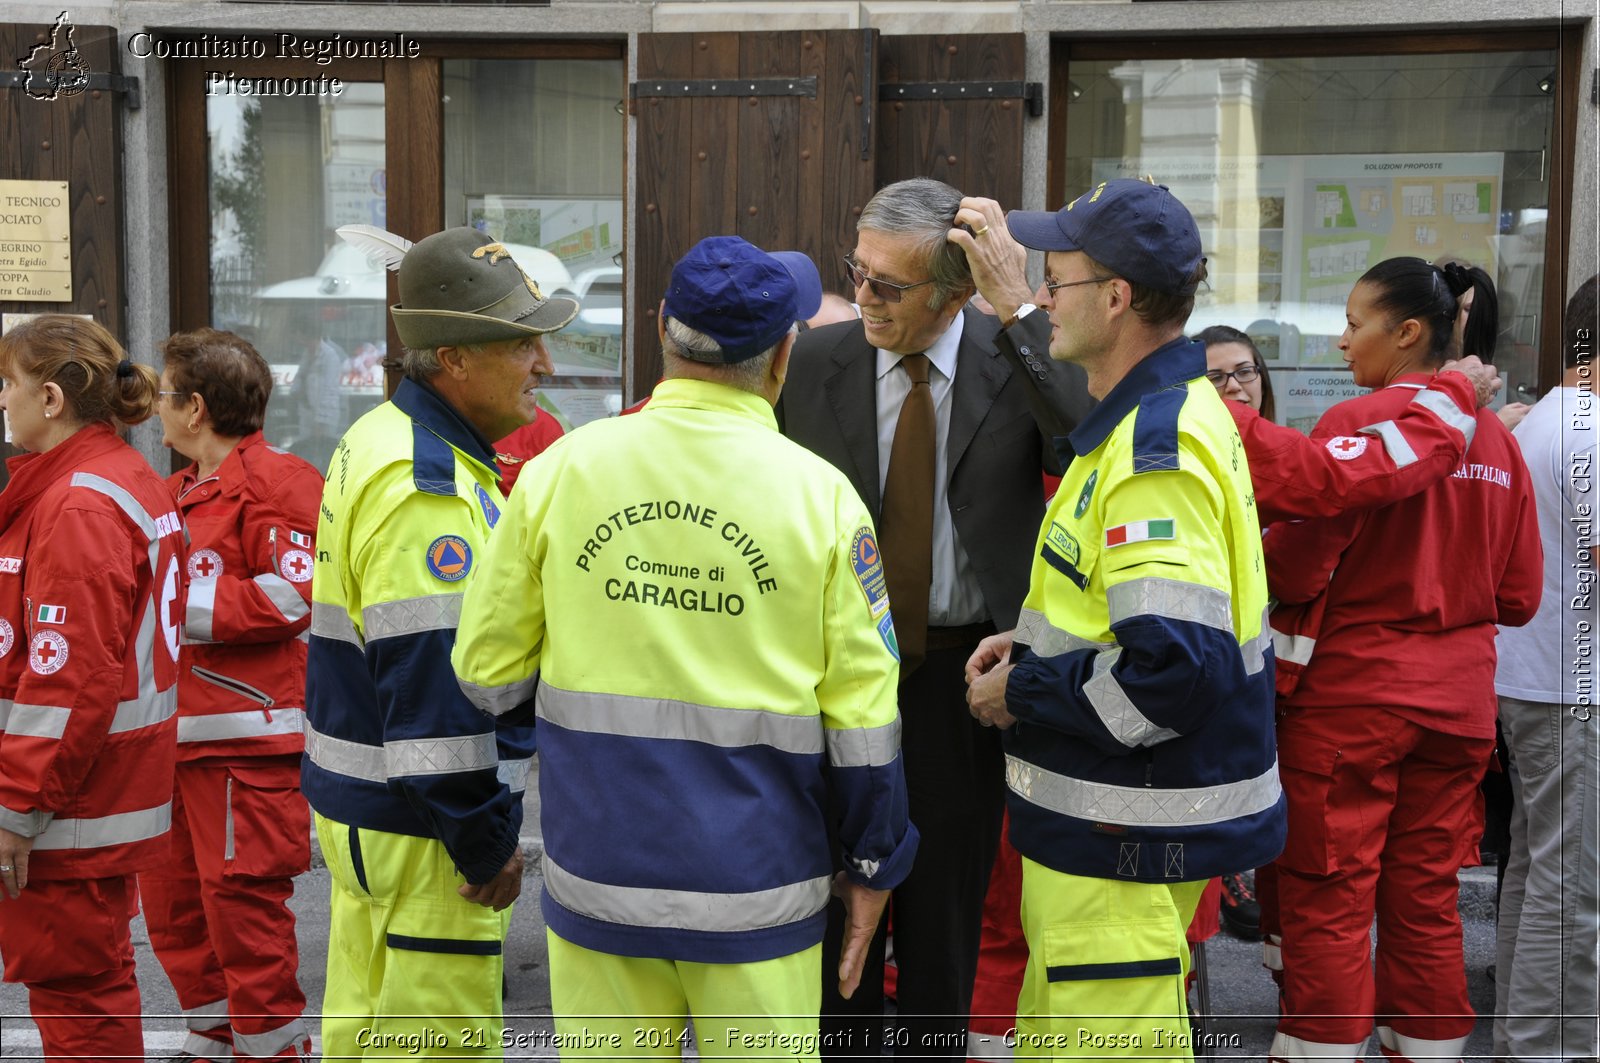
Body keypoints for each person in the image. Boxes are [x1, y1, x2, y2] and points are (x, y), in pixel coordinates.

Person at [453, 235, 918, 1059]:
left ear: (663, 325)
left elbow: (484, 674)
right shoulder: (822, 499)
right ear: (784, 354)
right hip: (759, 891)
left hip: (600, 878)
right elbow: (864, 721)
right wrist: (874, 862)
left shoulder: (562, 470)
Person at [962, 179, 1282, 1060]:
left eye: (1054, 282)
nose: (1039, 300)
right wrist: (1029, 645)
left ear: (1116, 297)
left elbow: (1175, 672)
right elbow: (1127, 617)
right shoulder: (1152, 420)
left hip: (1119, 844)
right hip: (1114, 832)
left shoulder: (1154, 447)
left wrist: (1020, 689)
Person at [778, 176, 1092, 1059]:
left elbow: (1090, 438)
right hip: (833, 682)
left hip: (961, 685)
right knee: (838, 925)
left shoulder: (1016, 354)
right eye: (860, 273)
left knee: (943, 936)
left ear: (956, 293)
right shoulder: (809, 363)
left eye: (890, 285)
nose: (865, 298)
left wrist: (1016, 309)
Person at [302, 227, 575, 1058]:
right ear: (452, 358)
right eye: (522, 342)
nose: (546, 364)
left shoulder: (381, 439)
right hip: (424, 831)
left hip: (377, 818)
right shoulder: (426, 485)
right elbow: (435, 691)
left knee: (364, 1030)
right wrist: (485, 840)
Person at [1265, 257, 1543, 1063]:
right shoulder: (1494, 436)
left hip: (1350, 706)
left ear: (1408, 332)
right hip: (1457, 709)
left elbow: (1294, 568)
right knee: (1426, 903)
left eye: (1355, 323)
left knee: (1330, 901)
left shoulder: (1354, 424)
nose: (1342, 339)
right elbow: (1520, 593)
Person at [0, 315, 184, 1061]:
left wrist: (16, 804)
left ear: (49, 398)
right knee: (93, 976)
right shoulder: (117, 475)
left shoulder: (78, 502)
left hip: (70, 799)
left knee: (77, 991)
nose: (0, 399)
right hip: (95, 790)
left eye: (7, 383)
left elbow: (68, 679)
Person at [137, 328, 323, 1063]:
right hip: (173, 744)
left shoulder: (282, 482)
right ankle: (213, 1037)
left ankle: (273, 1050)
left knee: (245, 914)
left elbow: (295, 595)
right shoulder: (175, 490)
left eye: (162, 394)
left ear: (195, 408)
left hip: (248, 747)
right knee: (175, 912)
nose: (153, 407)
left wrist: (172, 603)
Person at [1492, 273, 1598, 1062]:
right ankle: (1548, 1048)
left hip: (1532, 676)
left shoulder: (1541, 421)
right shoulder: (1591, 433)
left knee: (1535, 873)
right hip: (1574, 689)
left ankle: (1520, 1039)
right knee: (1574, 892)